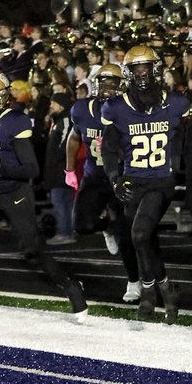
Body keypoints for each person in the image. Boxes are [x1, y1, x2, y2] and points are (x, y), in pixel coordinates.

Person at [0, 67, 87, 325]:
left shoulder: (13, 121)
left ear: (1, 97)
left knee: (32, 252)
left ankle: (70, 285)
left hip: (15, 194)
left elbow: (31, 169)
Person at [101, 45, 191, 323]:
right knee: (146, 241)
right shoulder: (116, 107)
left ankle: (149, 290)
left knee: (140, 235)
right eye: (136, 70)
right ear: (128, 73)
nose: (142, 75)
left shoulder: (174, 103)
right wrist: (114, 179)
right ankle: (168, 290)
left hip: (160, 182)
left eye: (146, 69)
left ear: (156, 70)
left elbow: (189, 144)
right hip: (133, 182)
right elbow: (108, 149)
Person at [66, 63, 140, 302]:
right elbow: (74, 138)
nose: (107, 89)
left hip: (122, 177)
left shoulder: (130, 111)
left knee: (125, 234)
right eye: (103, 83)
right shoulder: (82, 109)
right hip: (95, 177)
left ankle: (134, 281)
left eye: (112, 84)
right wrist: (69, 169)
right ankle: (106, 226)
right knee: (81, 225)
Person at [43, 92, 76, 245]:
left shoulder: (65, 120)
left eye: (53, 103)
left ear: (61, 105)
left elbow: (65, 145)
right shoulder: (58, 119)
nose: (51, 106)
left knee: (60, 201)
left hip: (60, 169)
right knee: (64, 201)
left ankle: (64, 233)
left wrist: (57, 163)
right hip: (57, 168)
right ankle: (68, 231)